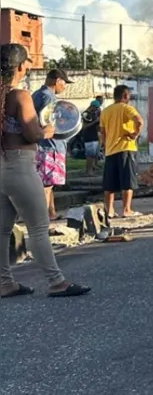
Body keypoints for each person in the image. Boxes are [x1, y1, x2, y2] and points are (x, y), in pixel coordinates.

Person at [0, 44, 91, 298]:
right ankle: (56, 282)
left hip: (1, 166)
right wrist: (46, 131)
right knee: (38, 228)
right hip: (20, 166)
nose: (28, 67)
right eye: (26, 63)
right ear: (19, 66)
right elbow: (31, 133)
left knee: (2, 229)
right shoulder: (20, 96)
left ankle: (4, 283)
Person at [33, 68, 72, 221]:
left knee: (48, 184)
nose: (65, 86)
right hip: (49, 147)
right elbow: (49, 123)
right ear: (57, 81)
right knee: (46, 186)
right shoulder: (48, 98)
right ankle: (42, 218)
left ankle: (51, 213)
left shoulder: (37, 94)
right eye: (64, 83)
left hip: (42, 145)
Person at [99, 85, 143, 219]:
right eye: (129, 95)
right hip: (126, 148)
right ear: (125, 96)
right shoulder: (127, 108)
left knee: (109, 184)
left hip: (110, 150)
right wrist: (135, 134)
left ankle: (109, 210)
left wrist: (105, 144)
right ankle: (126, 209)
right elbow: (139, 121)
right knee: (127, 181)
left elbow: (102, 131)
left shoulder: (105, 111)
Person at [80, 97, 103, 175]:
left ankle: (91, 169)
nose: (96, 109)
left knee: (93, 155)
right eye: (95, 108)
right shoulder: (86, 114)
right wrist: (95, 121)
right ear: (92, 106)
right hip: (88, 136)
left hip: (94, 135)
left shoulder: (94, 114)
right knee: (90, 155)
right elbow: (84, 126)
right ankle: (88, 170)